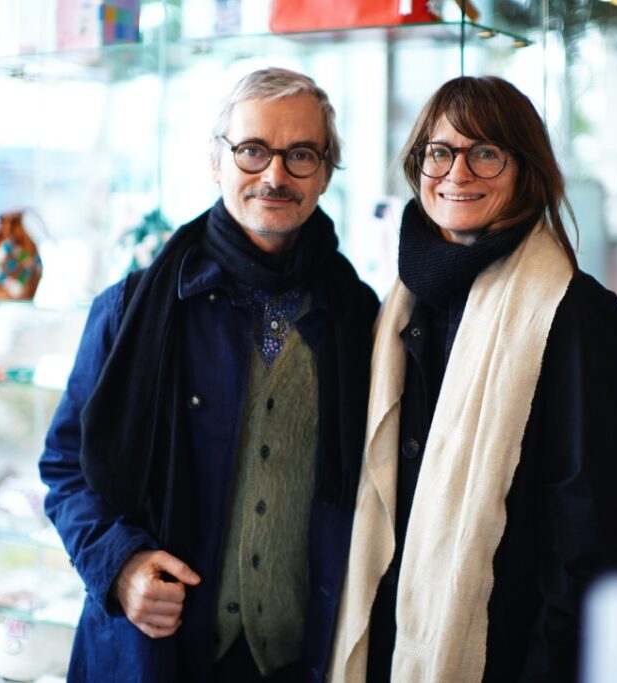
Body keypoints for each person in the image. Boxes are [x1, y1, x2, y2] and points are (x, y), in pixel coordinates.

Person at [39, 67, 378, 682]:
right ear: (215, 161)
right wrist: (121, 567)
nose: (274, 175)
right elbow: (66, 467)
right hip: (156, 652)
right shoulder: (133, 309)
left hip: (303, 660)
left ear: (326, 172)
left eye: (301, 154)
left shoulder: (359, 319)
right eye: (252, 150)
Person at [329, 76, 617, 682]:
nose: (457, 173)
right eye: (439, 151)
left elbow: (607, 540)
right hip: (394, 640)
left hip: (510, 655)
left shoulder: (578, 316)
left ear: (525, 170)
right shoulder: (401, 305)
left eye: (485, 153)